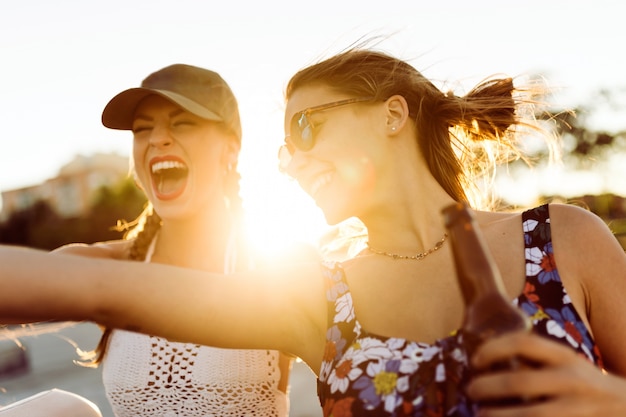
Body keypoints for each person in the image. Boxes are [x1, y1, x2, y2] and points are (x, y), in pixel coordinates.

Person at [1, 47, 626, 416]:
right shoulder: (321, 296)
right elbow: (93, 288)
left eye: (306, 129)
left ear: (392, 115)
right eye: (284, 147)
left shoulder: (565, 240)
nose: (295, 161)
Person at [21, 64, 293, 416]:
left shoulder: (275, 272)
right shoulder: (112, 268)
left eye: (182, 123)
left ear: (231, 148)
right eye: (141, 129)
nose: (156, 139)